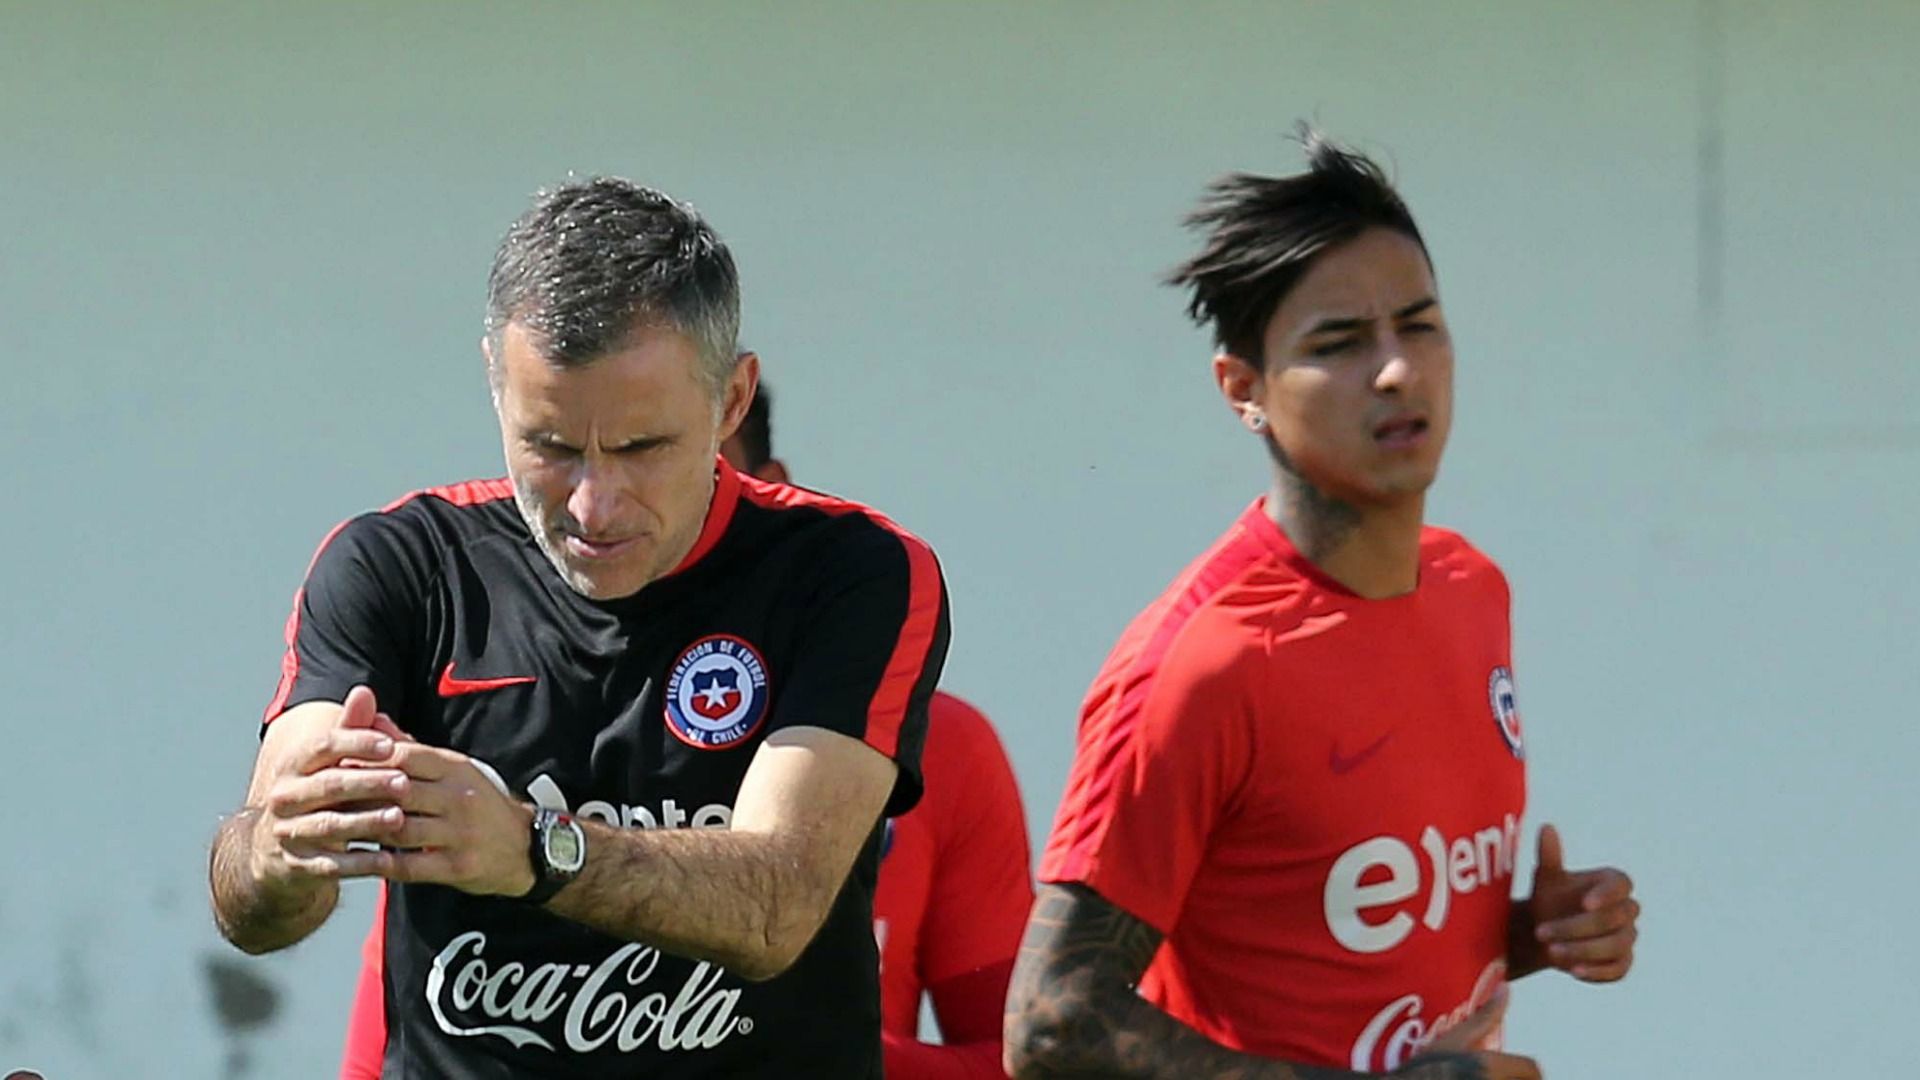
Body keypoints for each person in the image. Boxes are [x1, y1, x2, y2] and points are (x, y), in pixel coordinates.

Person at [207, 177, 950, 1078]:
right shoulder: (396, 567)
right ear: (495, 386)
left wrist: (528, 846)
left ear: (732, 401)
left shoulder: (849, 573)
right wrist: (278, 851)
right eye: (551, 445)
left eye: (642, 448)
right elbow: (254, 910)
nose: (594, 504)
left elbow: (775, 905)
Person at [1003, 130, 1641, 1079]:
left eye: (1419, 325)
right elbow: (1054, 1023)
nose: (1395, 369)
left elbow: (1326, 928)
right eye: (1338, 344)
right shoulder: (1202, 665)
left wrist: (1536, 931)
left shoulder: (1472, 588)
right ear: (1243, 390)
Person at [720, 381, 1035, 1079]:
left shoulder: (944, 746)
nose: (630, 507)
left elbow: (1022, 1062)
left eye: (699, 477)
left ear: (770, 496)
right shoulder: (500, 724)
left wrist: (818, 1053)